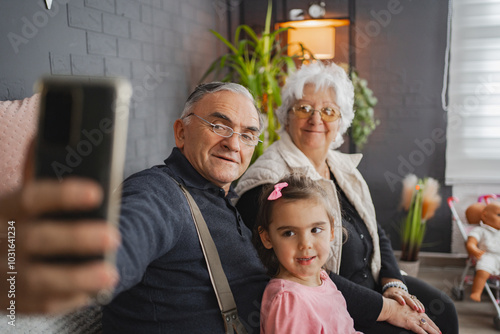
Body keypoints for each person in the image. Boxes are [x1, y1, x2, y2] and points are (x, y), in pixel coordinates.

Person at [0, 82, 269, 332]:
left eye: (247, 135)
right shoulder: (158, 192)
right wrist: (73, 265)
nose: (233, 144)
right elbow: (124, 242)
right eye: (219, 126)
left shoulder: (224, 195)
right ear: (181, 132)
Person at [235, 61, 458, 334]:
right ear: (286, 116)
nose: (316, 119)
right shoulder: (268, 181)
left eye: (328, 111)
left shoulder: (342, 166)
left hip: (375, 285)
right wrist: (386, 307)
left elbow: (375, 231)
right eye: (304, 108)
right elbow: (286, 271)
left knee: (443, 309)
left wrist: (393, 281)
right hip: (328, 302)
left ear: (340, 121)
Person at [255, 174, 361, 334]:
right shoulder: (288, 301)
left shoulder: (322, 279)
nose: (305, 244)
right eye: (289, 233)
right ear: (267, 238)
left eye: (316, 230)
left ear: (332, 231)